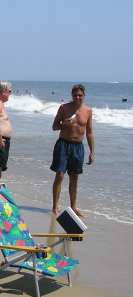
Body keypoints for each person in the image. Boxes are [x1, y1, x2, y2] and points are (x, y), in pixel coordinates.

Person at [50, 84, 94, 217]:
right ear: (72, 95)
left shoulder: (88, 111)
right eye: (75, 95)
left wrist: (92, 152)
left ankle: (73, 207)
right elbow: (54, 126)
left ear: (84, 96)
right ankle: (55, 207)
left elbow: (90, 132)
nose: (78, 97)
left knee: (74, 176)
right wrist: (63, 125)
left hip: (78, 146)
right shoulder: (64, 108)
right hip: (63, 144)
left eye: (80, 95)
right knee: (60, 175)